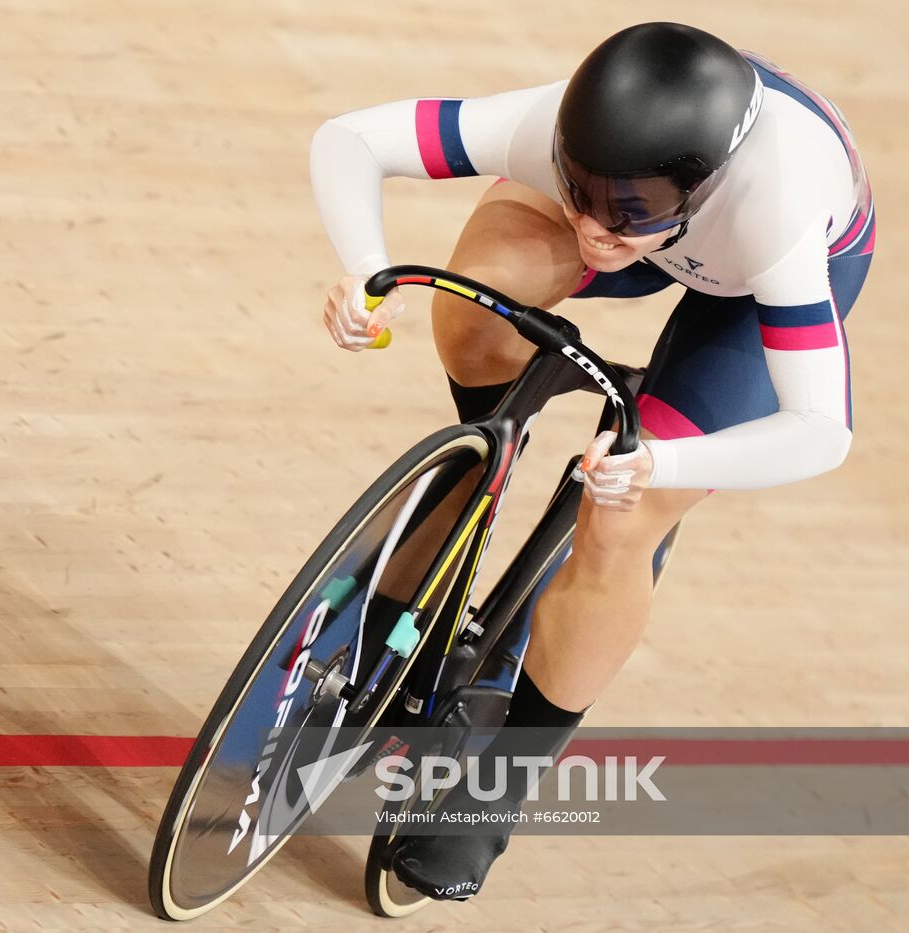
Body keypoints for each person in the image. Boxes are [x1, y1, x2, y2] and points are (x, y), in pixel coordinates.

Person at [309, 21, 874, 900]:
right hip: (671, 220)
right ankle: (476, 475)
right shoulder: (553, 136)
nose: (596, 231)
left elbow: (822, 430)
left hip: (747, 292)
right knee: (470, 317)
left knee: (620, 517)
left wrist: (662, 471)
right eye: (582, 194)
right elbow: (349, 138)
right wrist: (366, 270)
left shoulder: (777, 210)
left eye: (629, 212)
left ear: (701, 188)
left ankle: (498, 790)